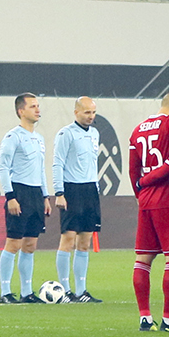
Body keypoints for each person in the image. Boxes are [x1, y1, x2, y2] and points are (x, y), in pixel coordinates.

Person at [127, 91, 169, 332]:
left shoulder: (138, 129)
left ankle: (145, 317)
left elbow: (133, 171)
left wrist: (140, 196)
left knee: (143, 259)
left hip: (146, 199)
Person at [51, 95, 104, 302]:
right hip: (72, 189)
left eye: (93, 112)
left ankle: (81, 290)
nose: (91, 116)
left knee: (85, 241)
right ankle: (65, 289)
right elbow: (58, 163)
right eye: (87, 112)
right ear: (76, 112)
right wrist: (59, 192)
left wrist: (96, 188)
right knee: (68, 239)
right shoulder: (66, 134)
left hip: (90, 189)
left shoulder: (95, 133)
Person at [0, 94, 49, 303]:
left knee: (30, 244)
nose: (37, 110)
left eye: (38, 106)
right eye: (32, 106)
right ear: (21, 111)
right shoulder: (13, 137)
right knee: (13, 243)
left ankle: (27, 292)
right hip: (19, 192)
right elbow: (3, 167)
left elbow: (41, 169)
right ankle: (5, 292)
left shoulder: (39, 138)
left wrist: (45, 196)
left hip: (36, 194)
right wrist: (10, 196)